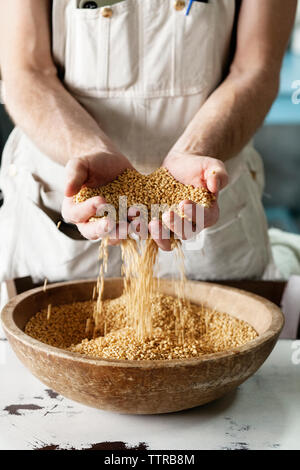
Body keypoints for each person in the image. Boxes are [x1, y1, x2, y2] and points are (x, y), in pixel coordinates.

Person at [0, 0, 296, 290]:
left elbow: (255, 68)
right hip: (66, 197)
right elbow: (26, 71)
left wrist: (196, 150)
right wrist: (87, 150)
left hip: (204, 197)